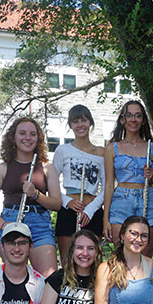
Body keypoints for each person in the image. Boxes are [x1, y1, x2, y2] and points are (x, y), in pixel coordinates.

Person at [0, 117, 63, 275]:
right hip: (10, 221)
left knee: (49, 279)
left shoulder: (47, 168)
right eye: (22, 133)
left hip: (40, 225)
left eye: (33, 134)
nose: (28, 138)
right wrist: (4, 226)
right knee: (15, 280)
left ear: (38, 139)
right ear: (13, 138)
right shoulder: (2, 168)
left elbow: (56, 204)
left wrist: (35, 195)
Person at [103, 100, 153, 257]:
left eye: (138, 115)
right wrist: (105, 219)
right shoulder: (112, 148)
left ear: (143, 121)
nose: (133, 119)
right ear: (122, 119)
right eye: (129, 115)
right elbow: (108, 184)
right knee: (121, 257)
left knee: (145, 258)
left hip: (148, 199)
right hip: (121, 200)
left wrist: (152, 178)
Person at [54, 105, 106, 258]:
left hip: (93, 211)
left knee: (93, 260)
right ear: (70, 125)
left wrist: (91, 209)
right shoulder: (62, 150)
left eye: (84, 120)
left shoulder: (101, 152)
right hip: (69, 210)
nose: (80, 125)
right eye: (75, 121)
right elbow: (51, 183)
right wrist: (67, 201)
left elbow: (108, 186)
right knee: (68, 259)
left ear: (90, 123)